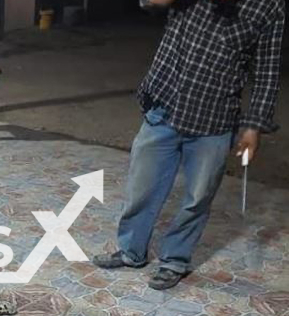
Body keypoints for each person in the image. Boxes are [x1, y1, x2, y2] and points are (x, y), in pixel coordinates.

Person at [93, 0, 285, 290]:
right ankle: (131, 251)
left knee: (198, 197)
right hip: (164, 105)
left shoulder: (269, 6)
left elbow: (267, 72)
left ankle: (174, 261)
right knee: (141, 188)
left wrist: (254, 126)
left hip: (215, 118)